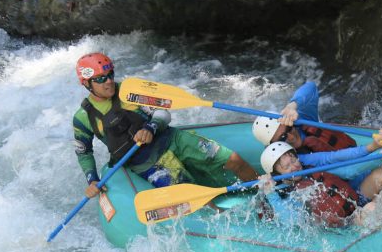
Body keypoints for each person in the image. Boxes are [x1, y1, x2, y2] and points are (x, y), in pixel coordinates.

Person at [72, 52, 257, 199]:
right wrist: (92, 179)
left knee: (234, 159)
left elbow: (163, 112)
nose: (109, 81)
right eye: (101, 79)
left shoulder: (131, 91)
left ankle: (265, 196)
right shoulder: (83, 117)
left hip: (172, 139)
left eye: (110, 74)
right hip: (147, 163)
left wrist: (150, 127)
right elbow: (84, 152)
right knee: (197, 197)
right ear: (87, 83)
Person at [251, 81, 382, 213]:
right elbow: (345, 170)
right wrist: (376, 153)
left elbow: (311, 87)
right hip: (352, 189)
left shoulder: (302, 121)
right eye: (282, 137)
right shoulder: (297, 163)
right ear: (275, 145)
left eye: (288, 128)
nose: (290, 135)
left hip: (359, 169)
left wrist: (292, 106)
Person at [257, 141, 382, 228]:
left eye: (294, 161)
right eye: (287, 167)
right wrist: (271, 194)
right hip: (344, 227)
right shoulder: (287, 194)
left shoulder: (312, 170)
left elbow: (348, 170)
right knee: (372, 209)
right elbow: (292, 222)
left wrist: (379, 157)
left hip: (355, 207)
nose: (294, 167)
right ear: (278, 175)